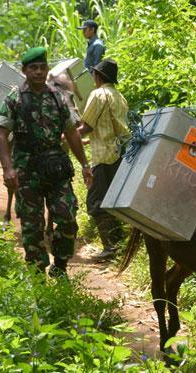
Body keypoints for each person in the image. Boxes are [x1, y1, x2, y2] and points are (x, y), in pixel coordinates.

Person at [0, 47, 93, 278]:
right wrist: (7, 169)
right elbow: (0, 134)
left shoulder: (58, 98)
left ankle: (60, 265)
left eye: (42, 67)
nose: (38, 72)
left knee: (67, 217)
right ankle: (37, 274)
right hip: (26, 171)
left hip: (56, 168)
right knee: (32, 225)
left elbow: (71, 133)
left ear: (47, 69)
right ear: (25, 71)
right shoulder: (14, 98)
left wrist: (85, 164)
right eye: (33, 68)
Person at [77, 59, 130, 262]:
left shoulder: (98, 95)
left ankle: (110, 248)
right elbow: (109, 128)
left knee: (96, 202)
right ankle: (117, 245)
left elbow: (87, 126)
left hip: (103, 157)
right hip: (119, 155)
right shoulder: (119, 96)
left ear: (97, 76)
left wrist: (68, 137)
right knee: (112, 201)